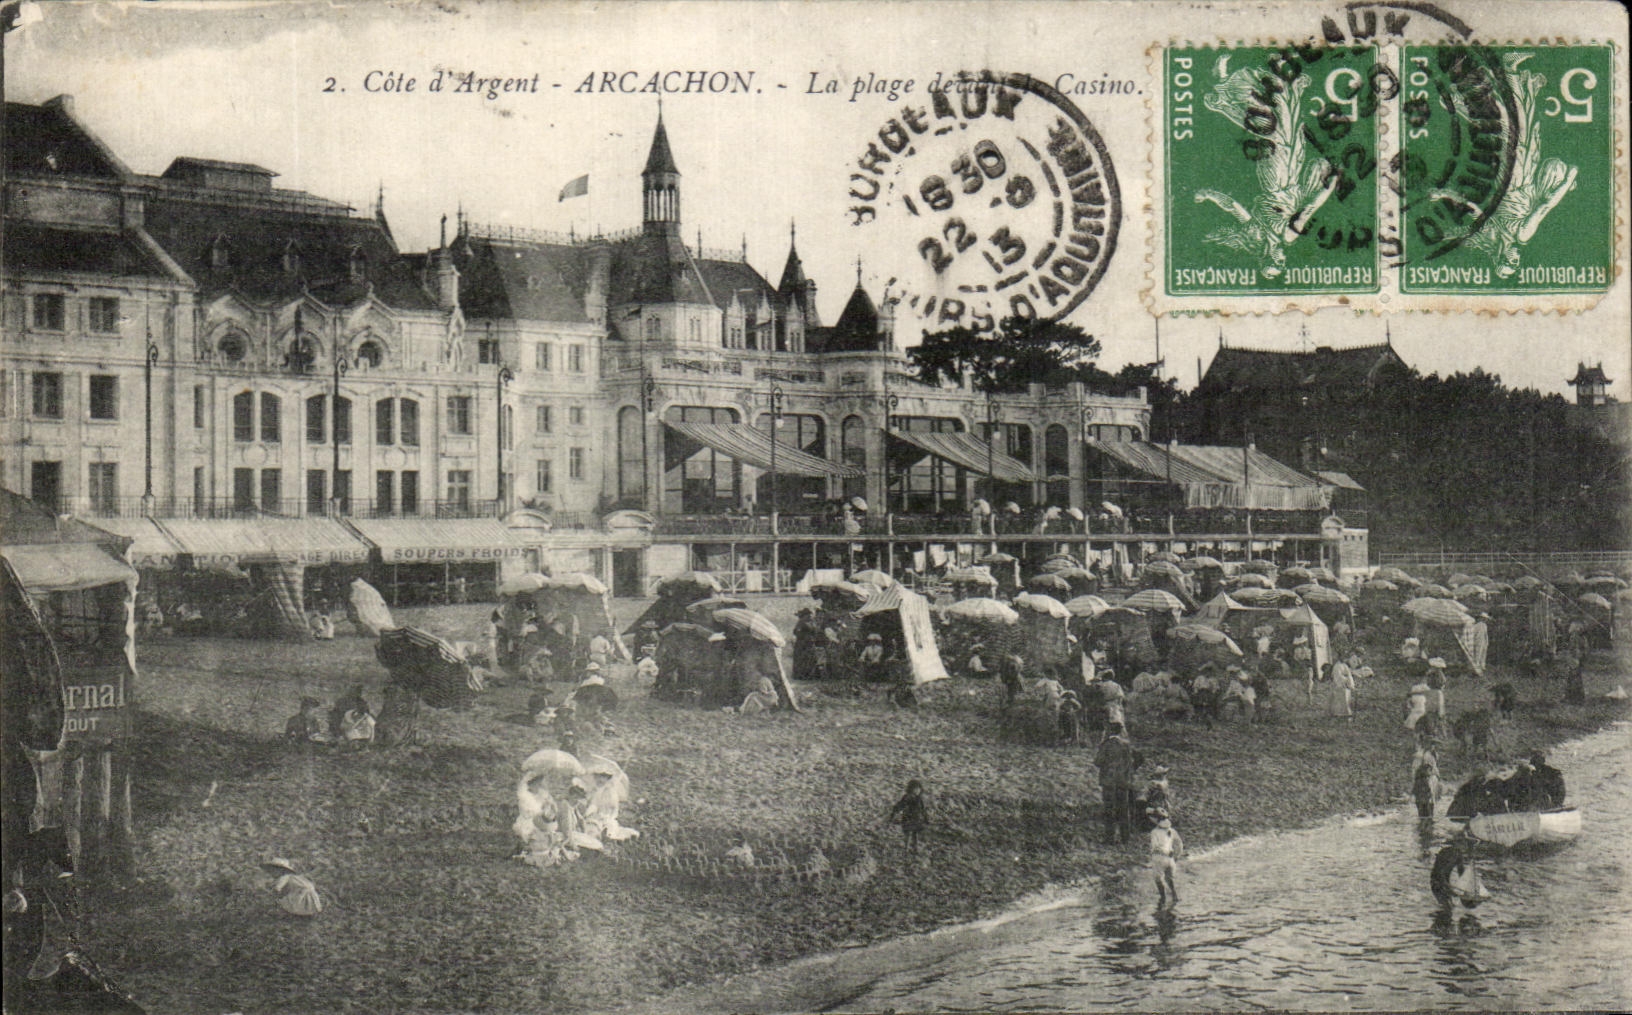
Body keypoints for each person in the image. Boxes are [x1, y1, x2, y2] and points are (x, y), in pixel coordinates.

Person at [1095, 722, 1143, 845]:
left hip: (1109, 782)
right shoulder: (1126, 745)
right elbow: (1139, 758)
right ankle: (1125, 839)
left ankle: (1109, 838)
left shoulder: (1105, 745)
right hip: (1123, 782)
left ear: (1109, 731)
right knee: (1123, 810)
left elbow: (1098, 762)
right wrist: (1131, 771)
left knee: (1109, 810)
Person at [1148, 807, 1184, 910]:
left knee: (1158, 879)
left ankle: (1163, 898)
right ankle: (1174, 895)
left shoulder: (1154, 832)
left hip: (1159, 858)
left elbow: (1155, 846)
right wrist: (1177, 856)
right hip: (1170, 858)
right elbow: (1180, 844)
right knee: (1170, 878)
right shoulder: (1172, 831)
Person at [889, 779, 929, 853]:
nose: (917, 791)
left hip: (917, 818)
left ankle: (915, 848)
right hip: (908, 818)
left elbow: (923, 809)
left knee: (915, 834)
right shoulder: (907, 797)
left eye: (918, 789)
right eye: (915, 789)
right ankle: (906, 848)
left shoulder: (919, 799)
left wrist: (926, 818)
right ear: (911, 789)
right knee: (909, 833)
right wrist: (895, 811)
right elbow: (901, 804)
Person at [1412, 751, 1440, 818]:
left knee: (1424, 814)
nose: (1430, 772)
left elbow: (1415, 790)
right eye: (1429, 770)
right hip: (1424, 799)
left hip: (1423, 799)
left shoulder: (1424, 778)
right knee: (1426, 813)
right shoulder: (1423, 779)